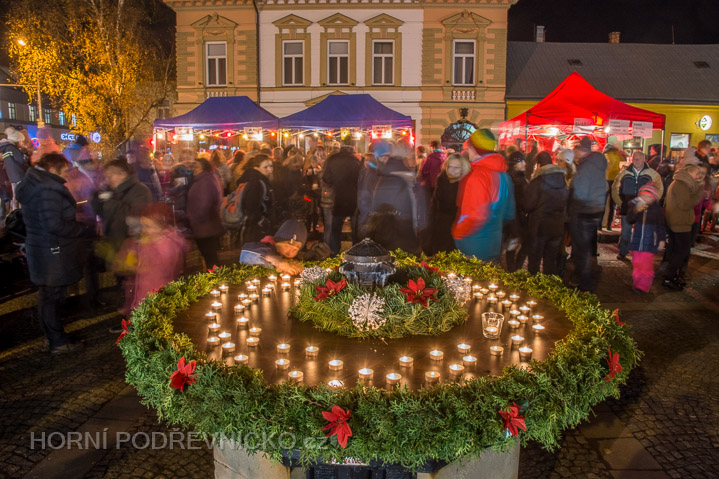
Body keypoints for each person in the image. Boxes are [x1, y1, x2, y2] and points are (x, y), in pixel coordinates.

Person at [16, 153, 87, 354]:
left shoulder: (33, 183)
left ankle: (53, 337)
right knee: (53, 297)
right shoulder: (47, 190)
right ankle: (58, 342)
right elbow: (54, 224)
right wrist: (80, 229)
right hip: (52, 251)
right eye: (64, 171)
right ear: (53, 169)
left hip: (41, 247)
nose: (66, 176)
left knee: (48, 296)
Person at [452, 129, 515, 263]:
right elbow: (509, 213)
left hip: (473, 245)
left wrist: (458, 233)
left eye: (469, 147)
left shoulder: (479, 176)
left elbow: (477, 215)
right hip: (494, 243)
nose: (467, 150)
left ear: (474, 149)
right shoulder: (504, 175)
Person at [115, 203, 188, 311]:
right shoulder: (151, 240)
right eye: (143, 226)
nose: (143, 230)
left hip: (158, 296)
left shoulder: (166, 246)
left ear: (161, 227)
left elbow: (158, 269)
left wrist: (132, 267)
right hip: (145, 293)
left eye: (148, 226)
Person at [367, 141, 427, 255]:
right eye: (411, 157)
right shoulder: (397, 177)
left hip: (392, 235)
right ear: (403, 158)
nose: (414, 162)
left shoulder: (395, 175)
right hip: (399, 237)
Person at [568, 136, 607, 292]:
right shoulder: (598, 163)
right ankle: (582, 278)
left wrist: (572, 207)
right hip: (595, 210)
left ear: (581, 150)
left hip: (583, 211)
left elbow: (580, 192)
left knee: (582, 249)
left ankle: (584, 285)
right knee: (585, 247)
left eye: (575, 150)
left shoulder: (586, 167)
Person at [65, 154, 104, 309]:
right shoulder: (75, 177)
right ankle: (79, 298)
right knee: (82, 263)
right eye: (92, 162)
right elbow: (78, 202)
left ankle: (90, 297)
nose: (95, 164)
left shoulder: (90, 175)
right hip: (81, 225)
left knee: (89, 264)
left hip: (87, 224)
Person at [611, 150, 663, 261]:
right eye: (635, 159)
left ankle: (640, 253)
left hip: (644, 209)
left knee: (642, 232)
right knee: (626, 231)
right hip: (627, 207)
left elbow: (659, 189)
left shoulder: (653, 174)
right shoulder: (624, 173)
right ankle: (623, 251)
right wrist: (621, 203)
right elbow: (615, 188)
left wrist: (650, 203)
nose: (637, 161)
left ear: (644, 160)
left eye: (639, 159)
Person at [523, 151, 568, 275]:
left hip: (539, 227)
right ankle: (549, 284)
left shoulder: (537, 181)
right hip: (557, 227)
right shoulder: (562, 180)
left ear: (538, 165)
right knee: (550, 261)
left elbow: (527, 205)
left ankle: (535, 284)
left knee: (534, 262)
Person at [663, 164, 706, 290]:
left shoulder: (681, 183)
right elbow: (685, 204)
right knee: (681, 251)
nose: (698, 176)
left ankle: (672, 276)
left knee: (678, 250)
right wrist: (699, 193)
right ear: (690, 173)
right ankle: (669, 278)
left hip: (679, 221)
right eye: (697, 174)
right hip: (680, 222)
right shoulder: (680, 184)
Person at [426, 152, 470, 255]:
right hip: (440, 228)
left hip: (459, 231)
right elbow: (434, 206)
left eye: (456, 167)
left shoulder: (466, 184)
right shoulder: (441, 180)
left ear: (463, 168)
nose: (451, 170)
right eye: (449, 166)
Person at [322, 144, 362, 255]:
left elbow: (326, 178)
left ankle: (334, 251)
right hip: (353, 197)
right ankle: (355, 251)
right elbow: (361, 178)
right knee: (355, 228)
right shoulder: (355, 161)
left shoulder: (332, 159)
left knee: (335, 227)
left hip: (338, 196)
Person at [187, 156, 225, 269]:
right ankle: (214, 275)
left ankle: (215, 277)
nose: (194, 169)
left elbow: (204, 204)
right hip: (205, 225)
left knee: (210, 257)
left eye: (197, 167)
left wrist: (194, 219)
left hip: (205, 226)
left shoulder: (205, 181)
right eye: (194, 166)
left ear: (204, 168)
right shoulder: (203, 179)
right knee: (209, 256)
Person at [626, 183, 664, 293]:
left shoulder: (657, 210)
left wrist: (661, 240)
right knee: (637, 263)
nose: (645, 198)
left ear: (653, 198)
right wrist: (636, 210)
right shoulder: (637, 207)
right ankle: (637, 283)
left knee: (646, 265)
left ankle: (643, 286)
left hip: (650, 242)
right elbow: (629, 220)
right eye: (643, 196)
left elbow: (661, 226)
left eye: (648, 196)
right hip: (637, 242)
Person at [239, 219, 306, 275]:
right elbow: (246, 253)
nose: (289, 252)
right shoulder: (264, 247)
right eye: (287, 246)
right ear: (278, 242)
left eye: (295, 250)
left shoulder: (290, 260)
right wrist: (277, 261)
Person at [234, 153, 274, 248]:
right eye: (265, 167)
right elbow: (251, 206)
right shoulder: (256, 183)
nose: (270, 169)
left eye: (271, 166)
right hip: (256, 228)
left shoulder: (260, 180)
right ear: (256, 168)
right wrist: (262, 221)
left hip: (256, 226)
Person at [504, 151, 529, 271]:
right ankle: (512, 269)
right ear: (514, 163)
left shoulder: (514, 177)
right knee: (515, 241)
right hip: (515, 216)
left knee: (514, 242)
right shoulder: (517, 179)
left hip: (514, 215)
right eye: (521, 161)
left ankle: (512, 267)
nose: (524, 163)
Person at [1, 127, 29, 210]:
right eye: (21, 141)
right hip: (19, 175)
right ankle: (20, 211)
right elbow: (21, 160)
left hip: (12, 176)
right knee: (20, 195)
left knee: (15, 195)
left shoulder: (6, 149)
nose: (21, 143)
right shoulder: (13, 149)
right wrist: (24, 154)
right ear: (16, 141)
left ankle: (14, 210)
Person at [603, 144, 623, 231]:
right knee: (612, 204)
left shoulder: (606, 156)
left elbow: (608, 166)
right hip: (615, 181)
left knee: (603, 204)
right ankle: (609, 225)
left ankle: (600, 224)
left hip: (606, 180)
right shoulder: (617, 155)